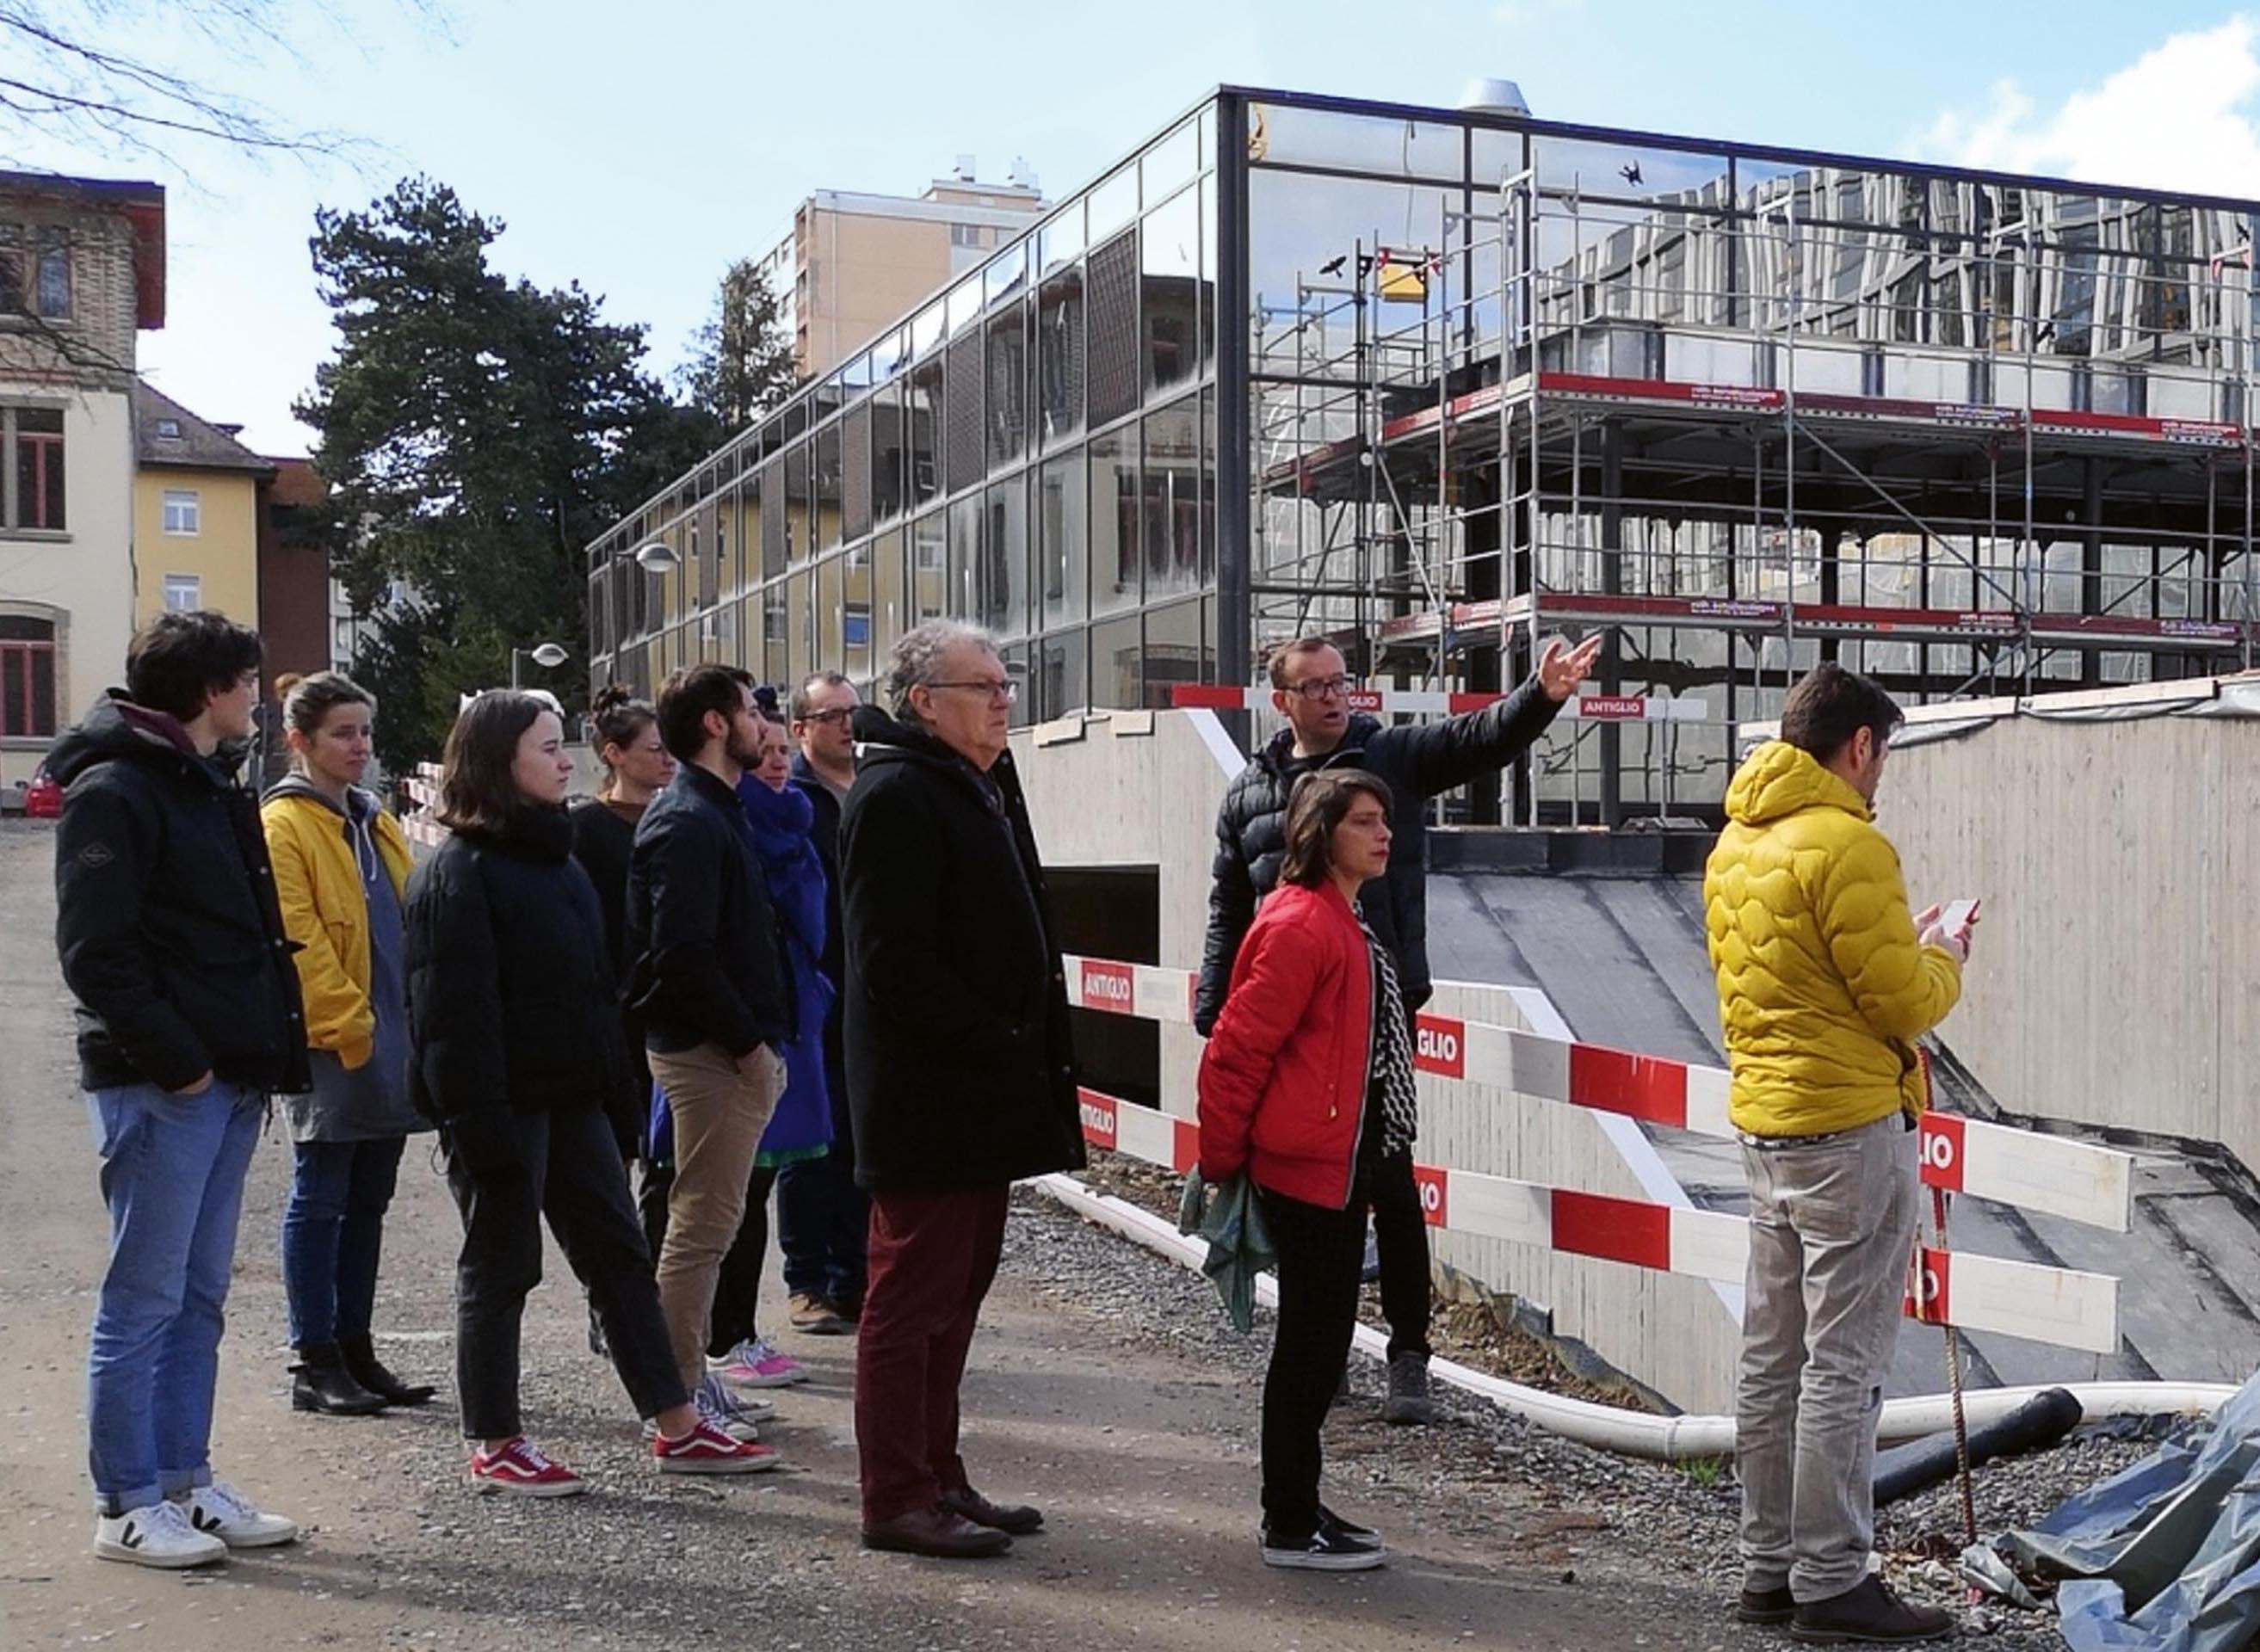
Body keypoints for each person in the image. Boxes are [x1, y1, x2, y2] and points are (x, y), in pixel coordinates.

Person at [1194, 631, 1604, 1425]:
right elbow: (1228, 909)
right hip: (1291, 1027)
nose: (1334, 696)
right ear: (1281, 701)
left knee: (1385, 1182)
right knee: (1312, 1195)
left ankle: (1407, 1357)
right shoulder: (1248, 794)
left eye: (1341, 682)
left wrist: (1543, 695)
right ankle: (1324, 1350)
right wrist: (1216, 1013)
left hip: (1376, 1017)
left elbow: (1477, 740)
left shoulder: (1390, 759)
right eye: (1314, 686)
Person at [404, 691, 774, 1494]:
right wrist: (480, 1131)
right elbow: (448, 1023)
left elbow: (595, 988)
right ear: (499, 762)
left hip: (574, 1100)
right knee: (502, 1269)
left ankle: (676, 1423)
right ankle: (496, 1438)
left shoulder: (557, 857)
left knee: (619, 1258)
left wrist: (612, 1098)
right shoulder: (456, 873)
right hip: (501, 1110)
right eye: (545, 747)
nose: (563, 759)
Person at [1703, 662, 1970, 1644]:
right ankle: (1831, 1581)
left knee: (1769, 1359)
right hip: (1850, 1130)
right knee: (1842, 1366)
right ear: (1858, 744)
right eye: (1882, 754)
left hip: (1766, 1125)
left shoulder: (1736, 841)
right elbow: (1899, 1001)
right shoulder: (1849, 846)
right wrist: (1944, 953)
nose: (1880, 775)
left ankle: (1766, 1570)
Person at [52, 609, 307, 1569]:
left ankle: (184, 1484)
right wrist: (186, 1063)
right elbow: (97, 956)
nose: (257, 696)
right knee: (145, 1297)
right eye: (248, 680)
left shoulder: (206, 784)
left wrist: (244, 1061)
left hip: (226, 1079)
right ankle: (126, 1502)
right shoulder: (117, 791)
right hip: (168, 1088)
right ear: (211, 690)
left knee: (198, 1296)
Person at [842, 621, 1083, 1560]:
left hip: (976, 1092)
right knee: (910, 1302)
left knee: (955, 1297)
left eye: (1003, 682)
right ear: (923, 702)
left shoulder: (972, 780)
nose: (1003, 699)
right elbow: (891, 959)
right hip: (930, 1096)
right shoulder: (899, 792)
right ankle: (895, 1494)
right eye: (981, 686)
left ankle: (938, 1477)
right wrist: (994, 1037)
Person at [1199, 771, 1408, 1572]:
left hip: (1337, 1160)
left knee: (1319, 1343)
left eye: (1384, 818)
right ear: (1322, 833)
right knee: (1310, 1349)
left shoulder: (1337, 915)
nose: (1383, 832)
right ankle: (1288, 1522)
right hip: (1304, 1164)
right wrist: (1222, 1161)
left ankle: (1300, 1504)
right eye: (1364, 821)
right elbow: (1236, 1050)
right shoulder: (1303, 924)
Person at [262, 671, 435, 1417]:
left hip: (394, 1037)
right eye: (342, 732)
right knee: (322, 1196)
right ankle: (315, 1356)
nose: (359, 746)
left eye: (364, 731)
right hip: (336, 1043)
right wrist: (349, 1024)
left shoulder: (374, 818)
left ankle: (357, 1348)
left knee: (369, 1199)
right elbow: (295, 940)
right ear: (300, 742)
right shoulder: (284, 826)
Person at [626, 665, 793, 1422]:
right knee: (698, 1230)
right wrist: (749, 1046)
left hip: (726, 1050)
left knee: (711, 1226)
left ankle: (689, 1378)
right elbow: (681, 955)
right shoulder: (688, 819)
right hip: (711, 1056)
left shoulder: (714, 810)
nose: (767, 722)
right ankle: (680, 1395)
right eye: (754, 710)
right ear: (718, 725)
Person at [702, 712, 836, 1382]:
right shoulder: (728, 826)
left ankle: (737, 1331)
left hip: (794, 1014)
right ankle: (719, 1338)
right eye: (767, 752)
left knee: (760, 1186)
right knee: (732, 1193)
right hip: (750, 1028)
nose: (779, 763)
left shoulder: (796, 823)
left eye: (785, 751)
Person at [566, 686, 677, 1359]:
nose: (667, 760)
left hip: (664, 1014)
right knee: (613, 1172)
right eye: (653, 749)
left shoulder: (674, 819)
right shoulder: (587, 830)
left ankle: (656, 1301)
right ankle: (610, 1305)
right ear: (613, 755)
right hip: (614, 1018)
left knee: (667, 1173)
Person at [781, 669, 867, 1331]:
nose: (846, 724)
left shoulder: (873, 790)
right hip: (816, 990)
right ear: (800, 729)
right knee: (814, 1141)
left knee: (862, 1138)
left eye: (853, 712)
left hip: (869, 990)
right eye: (831, 714)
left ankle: (856, 1276)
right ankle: (805, 1279)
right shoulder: (796, 799)